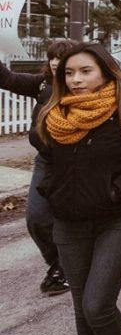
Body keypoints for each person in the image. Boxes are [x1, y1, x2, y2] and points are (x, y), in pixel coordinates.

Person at [36, 43, 121, 335]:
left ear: (106, 73)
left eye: (85, 71)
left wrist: (116, 191)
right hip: (70, 224)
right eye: (69, 73)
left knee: (97, 306)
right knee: (82, 309)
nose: (75, 79)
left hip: (118, 221)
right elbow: (47, 161)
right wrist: (53, 192)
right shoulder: (55, 116)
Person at [0, 39, 75, 296]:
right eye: (52, 57)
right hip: (46, 161)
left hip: (77, 163)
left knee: (72, 217)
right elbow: (7, 79)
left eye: (61, 57)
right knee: (37, 219)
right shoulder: (42, 84)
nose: (55, 62)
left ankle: (67, 269)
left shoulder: (83, 86)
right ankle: (58, 263)